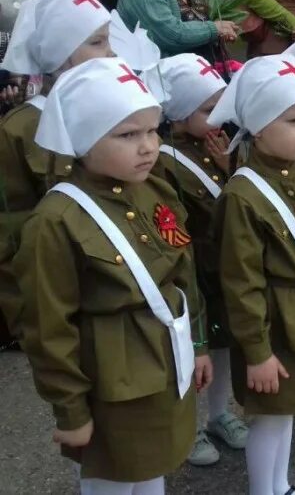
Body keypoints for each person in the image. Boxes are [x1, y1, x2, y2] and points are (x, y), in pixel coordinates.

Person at [14, 56, 211, 494]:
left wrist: (196, 344)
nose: (148, 146)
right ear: (83, 140)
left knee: (153, 467)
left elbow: (183, 275)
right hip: (111, 383)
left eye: (152, 131)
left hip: (164, 364)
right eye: (127, 134)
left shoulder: (155, 190)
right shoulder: (56, 221)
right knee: (114, 479)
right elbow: (48, 328)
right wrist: (71, 412)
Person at [209, 55, 295, 495]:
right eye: (292, 120)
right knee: (269, 417)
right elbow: (241, 282)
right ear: (258, 125)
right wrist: (256, 352)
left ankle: (280, 485)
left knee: (286, 410)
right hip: (273, 327)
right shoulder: (243, 195)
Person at [140, 53, 248, 467]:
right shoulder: (164, 162)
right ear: (180, 113)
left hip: (222, 267)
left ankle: (219, 413)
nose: (218, 117)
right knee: (190, 352)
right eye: (207, 109)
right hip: (194, 269)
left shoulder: (217, 147)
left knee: (221, 345)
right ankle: (192, 426)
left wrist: (229, 167)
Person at [0, 0, 113, 361]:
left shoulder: (116, 114)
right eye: (98, 43)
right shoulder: (20, 129)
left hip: (118, 295)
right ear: (59, 57)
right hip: (64, 303)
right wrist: (30, 321)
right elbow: (12, 234)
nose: (111, 53)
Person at [116, 0, 239, 61]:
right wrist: (213, 29)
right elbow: (170, 36)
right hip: (173, 86)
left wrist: (219, 34)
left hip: (203, 74)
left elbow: (198, 22)